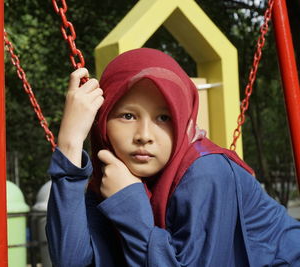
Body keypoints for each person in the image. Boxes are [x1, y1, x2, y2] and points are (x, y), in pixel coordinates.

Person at [45, 48, 300, 267]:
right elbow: (72, 261)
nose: (144, 136)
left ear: (182, 119)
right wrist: (70, 144)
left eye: (163, 118)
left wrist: (128, 204)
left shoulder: (207, 171)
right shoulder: (111, 175)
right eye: (127, 116)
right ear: (102, 122)